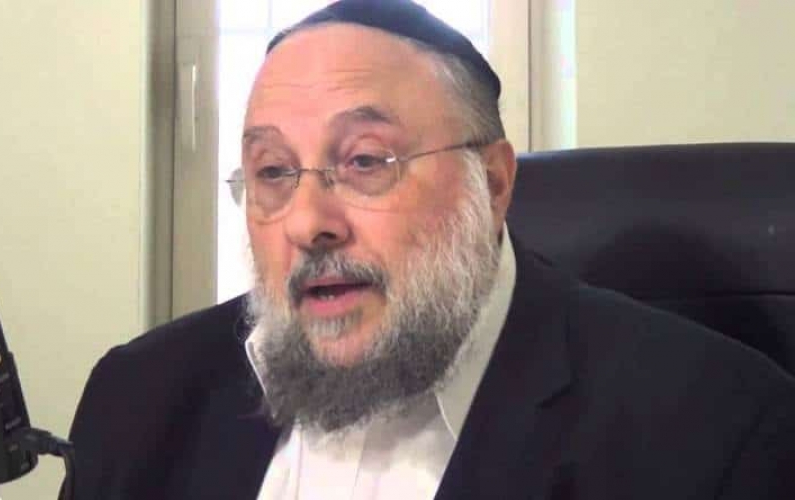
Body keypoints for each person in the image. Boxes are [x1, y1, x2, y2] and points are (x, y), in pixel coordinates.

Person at [67, 1, 795, 499]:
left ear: (493, 182)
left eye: (365, 161)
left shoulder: (715, 427)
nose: (308, 223)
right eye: (274, 172)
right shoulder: (139, 398)